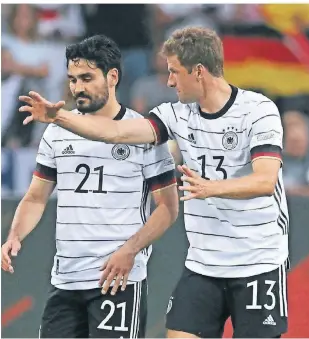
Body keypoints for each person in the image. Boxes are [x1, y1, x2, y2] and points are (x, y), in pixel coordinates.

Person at [17, 27, 289, 338]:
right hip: (204, 265)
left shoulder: (258, 111)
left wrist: (211, 188)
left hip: (258, 260)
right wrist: (59, 117)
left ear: (198, 71)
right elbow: (116, 133)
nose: (169, 81)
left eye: (174, 72)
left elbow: (266, 181)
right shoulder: (174, 115)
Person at [2, 34, 179, 338]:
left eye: (86, 77)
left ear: (112, 77)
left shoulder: (143, 133)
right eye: (72, 79)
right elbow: (35, 197)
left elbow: (168, 208)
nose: (77, 88)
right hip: (66, 281)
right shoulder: (58, 132)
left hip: (117, 280)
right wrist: (14, 235)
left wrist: (130, 251)